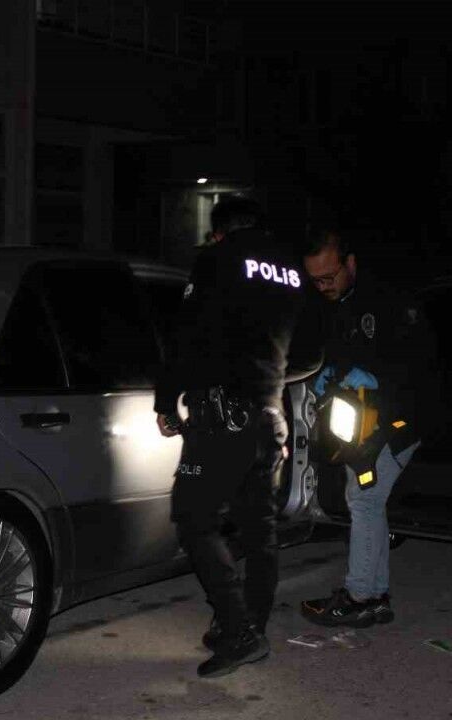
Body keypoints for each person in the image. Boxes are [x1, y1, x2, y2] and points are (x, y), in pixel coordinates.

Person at [155, 196, 321, 678]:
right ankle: (251, 625)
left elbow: (186, 336)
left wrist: (166, 401)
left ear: (219, 232)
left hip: (221, 415)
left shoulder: (217, 259)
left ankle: (238, 630)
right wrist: (269, 375)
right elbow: (312, 353)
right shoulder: (292, 271)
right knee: (258, 527)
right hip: (269, 415)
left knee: (193, 517)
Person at [299, 229, 437, 628]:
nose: (323, 286)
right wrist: (326, 376)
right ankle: (374, 596)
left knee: (363, 500)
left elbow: (420, 363)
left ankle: (360, 596)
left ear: (350, 263)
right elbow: (339, 354)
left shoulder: (389, 300)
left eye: (329, 277)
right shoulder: (336, 305)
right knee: (367, 501)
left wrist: (379, 380)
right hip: (362, 420)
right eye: (316, 280)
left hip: (400, 419)